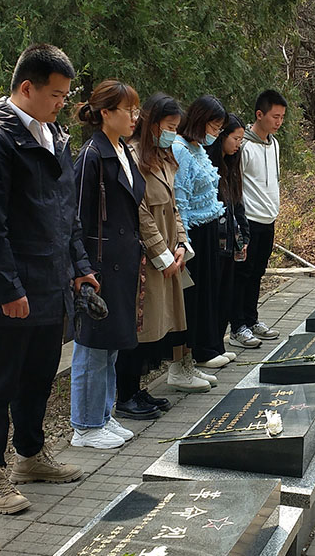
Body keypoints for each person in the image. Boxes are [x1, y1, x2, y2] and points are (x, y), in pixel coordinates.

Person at [0, 44, 97, 514]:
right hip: (13, 287)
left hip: (53, 281)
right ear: (26, 88)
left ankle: (30, 455)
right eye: (56, 95)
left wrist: (80, 267)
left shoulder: (55, 135)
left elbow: (68, 213)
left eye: (65, 95)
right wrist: (7, 287)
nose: (63, 103)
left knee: (39, 376)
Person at [70, 80, 147, 449]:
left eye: (136, 110)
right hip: (98, 265)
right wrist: (81, 268)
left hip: (123, 260)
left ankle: (102, 415)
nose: (134, 117)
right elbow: (75, 218)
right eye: (127, 110)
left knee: (111, 344)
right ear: (105, 113)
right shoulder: (91, 156)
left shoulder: (122, 150)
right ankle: (84, 426)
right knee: (92, 345)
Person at [124, 93, 210, 406]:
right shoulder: (133, 156)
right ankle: (128, 393)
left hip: (170, 252)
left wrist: (181, 244)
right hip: (147, 256)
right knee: (143, 324)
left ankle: (138, 390)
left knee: (162, 322)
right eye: (169, 127)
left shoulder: (164, 157)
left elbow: (173, 208)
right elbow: (141, 211)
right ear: (152, 123)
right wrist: (161, 253)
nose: (173, 133)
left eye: (175, 127)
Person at [173, 95, 230, 372]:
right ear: (200, 120)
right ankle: (195, 353)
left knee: (209, 290)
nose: (216, 133)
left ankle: (210, 345)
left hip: (209, 227)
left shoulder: (198, 148)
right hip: (193, 231)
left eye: (219, 128)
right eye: (214, 127)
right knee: (194, 296)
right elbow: (180, 198)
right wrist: (183, 240)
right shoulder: (180, 149)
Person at [230, 89, 288, 348]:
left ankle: (252, 320)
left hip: (268, 219)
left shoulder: (274, 144)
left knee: (257, 273)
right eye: (275, 116)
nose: (279, 122)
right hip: (249, 220)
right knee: (242, 274)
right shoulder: (243, 146)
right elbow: (235, 185)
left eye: (282, 117)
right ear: (259, 114)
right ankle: (237, 327)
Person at [207, 114, 251, 346]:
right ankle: (212, 344)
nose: (238, 144)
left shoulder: (232, 165)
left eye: (241, 140)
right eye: (235, 138)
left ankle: (219, 344)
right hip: (214, 240)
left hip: (232, 240)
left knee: (227, 292)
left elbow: (237, 203)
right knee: (214, 295)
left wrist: (244, 234)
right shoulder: (210, 164)